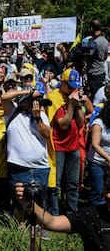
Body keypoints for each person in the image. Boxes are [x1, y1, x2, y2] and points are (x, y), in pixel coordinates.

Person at [15, 169, 110, 251]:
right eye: (107, 189)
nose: (108, 195)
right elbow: (52, 222)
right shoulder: (91, 216)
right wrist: (30, 205)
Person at [1, 88, 51, 224]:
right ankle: (20, 228)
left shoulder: (42, 115)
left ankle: (40, 227)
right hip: (19, 166)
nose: (37, 105)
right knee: (19, 201)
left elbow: (47, 135)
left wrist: (38, 118)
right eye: (34, 102)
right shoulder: (13, 112)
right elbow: (4, 97)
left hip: (40, 166)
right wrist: (26, 93)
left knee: (39, 200)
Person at [47, 68, 84, 215]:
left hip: (73, 146)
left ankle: (72, 213)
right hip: (58, 146)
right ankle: (54, 213)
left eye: (74, 86)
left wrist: (78, 105)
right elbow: (63, 124)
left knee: (73, 183)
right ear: (62, 82)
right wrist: (70, 105)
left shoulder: (73, 97)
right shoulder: (53, 97)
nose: (72, 89)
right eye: (69, 85)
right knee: (55, 184)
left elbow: (80, 123)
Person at [88, 100, 110, 206]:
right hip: (98, 162)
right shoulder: (99, 123)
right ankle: (96, 214)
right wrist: (108, 158)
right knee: (98, 190)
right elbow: (95, 144)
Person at [85, 19, 108, 98]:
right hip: (101, 72)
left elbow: (88, 55)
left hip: (94, 73)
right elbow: (104, 57)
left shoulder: (94, 42)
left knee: (95, 97)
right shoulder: (105, 41)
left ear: (91, 28)